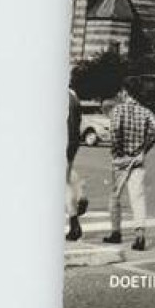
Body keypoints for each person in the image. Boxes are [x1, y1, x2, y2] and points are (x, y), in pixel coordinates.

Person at [102, 79, 155, 252]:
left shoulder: (118, 110)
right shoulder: (146, 112)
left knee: (115, 196)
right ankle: (140, 235)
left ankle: (116, 232)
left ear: (125, 92)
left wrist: (117, 151)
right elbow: (154, 129)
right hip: (137, 159)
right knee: (138, 197)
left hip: (121, 160)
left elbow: (114, 131)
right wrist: (143, 150)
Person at [65, 86, 88, 241]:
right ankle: (80, 196)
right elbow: (78, 120)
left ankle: (74, 224)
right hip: (72, 143)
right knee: (66, 176)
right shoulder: (73, 93)